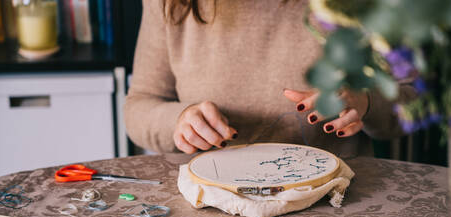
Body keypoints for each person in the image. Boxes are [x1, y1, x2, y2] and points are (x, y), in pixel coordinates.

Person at [125, 0, 416, 158]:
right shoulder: (170, 3)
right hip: (208, 200)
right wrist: (178, 121)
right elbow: (140, 105)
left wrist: (365, 102)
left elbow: (416, 95)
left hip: (334, 200)